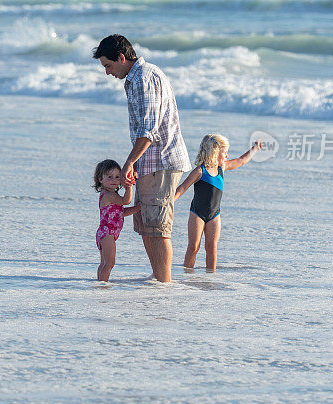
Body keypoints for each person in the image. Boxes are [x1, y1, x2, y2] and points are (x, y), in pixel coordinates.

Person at [94, 34, 192, 283]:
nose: (107, 72)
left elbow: (149, 129)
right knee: (147, 226)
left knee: (158, 228)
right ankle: (159, 280)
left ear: (122, 57)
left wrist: (128, 162)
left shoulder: (144, 78)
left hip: (161, 160)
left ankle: (164, 283)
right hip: (149, 162)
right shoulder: (138, 78)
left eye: (108, 65)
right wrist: (135, 163)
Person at [174, 134, 262, 272]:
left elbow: (241, 161)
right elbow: (182, 188)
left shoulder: (222, 168)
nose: (227, 156)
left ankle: (210, 275)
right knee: (193, 246)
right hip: (197, 213)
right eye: (224, 153)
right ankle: (187, 274)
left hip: (215, 215)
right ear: (214, 152)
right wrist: (170, 202)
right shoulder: (199, 171)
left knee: (212, 247)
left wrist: (255, 148)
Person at [92, 159, 140, 282]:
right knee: (109, 263)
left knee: (104, 263)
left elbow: (120, 213)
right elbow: (126, 201)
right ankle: (103, 285)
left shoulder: (110, 195)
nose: (114, 180)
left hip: (105, 233)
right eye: (109, 177)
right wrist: (129, 187)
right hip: (107, 233)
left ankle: (100, 283)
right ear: (100, 179)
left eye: (117, 177)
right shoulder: (109, 195)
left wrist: (137, 208)